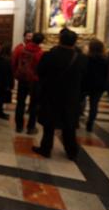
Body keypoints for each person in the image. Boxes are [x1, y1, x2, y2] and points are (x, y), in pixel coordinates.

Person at [33, 29, 87, 160]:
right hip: (71, 96)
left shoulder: (49, 55)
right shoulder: (81, 59)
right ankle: (71, 151)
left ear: (59, 40)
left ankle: (46, 149)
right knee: (69, 126)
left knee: (49, 124)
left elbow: (39, 72)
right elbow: (85, 79)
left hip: (51, 94)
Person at [12, 32, 45, 134]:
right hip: (34, 81)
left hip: (22, 79)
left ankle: (19, 126)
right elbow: (41, 69)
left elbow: (15, 62)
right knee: (34, 105)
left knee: (20, 103)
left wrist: (15, 74)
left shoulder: (22, 49)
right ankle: (31, 128)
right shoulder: (40, 53)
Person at [82, 39, 108, 132]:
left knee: (81, 101)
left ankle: (78, 117)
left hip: (86, 83)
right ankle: (90, 123)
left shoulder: (85, 58)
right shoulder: (105, 60)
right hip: (99, 85)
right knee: (94, 105)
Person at [0, 43, 14, 119]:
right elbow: (7, 73)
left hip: (0, 81)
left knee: (1, 98)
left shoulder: (1, 58)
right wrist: (8, 84)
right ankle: (0, 113)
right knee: (1, 97)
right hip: (4, 82)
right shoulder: (6, 60)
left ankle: (0, 112)